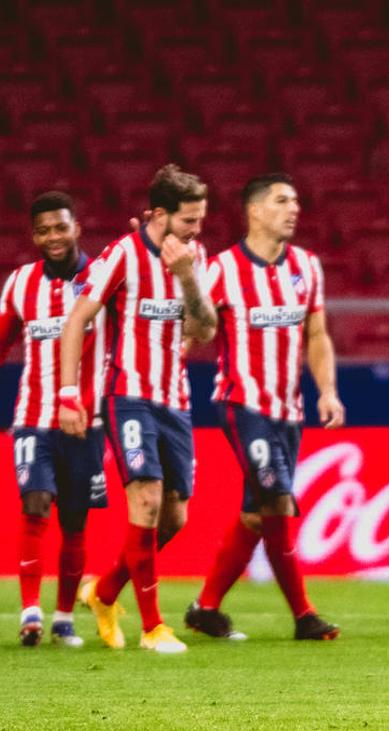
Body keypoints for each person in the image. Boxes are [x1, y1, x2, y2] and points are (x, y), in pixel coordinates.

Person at [60, 164, 218, 654]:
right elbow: (76, 321)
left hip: (176, 400)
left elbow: (205, 329)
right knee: (146, 501)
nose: (197, 229)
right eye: (189, 220)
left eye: (200, 219)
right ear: (158, 215)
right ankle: (154, 628)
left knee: (174, 518)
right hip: (129, 394)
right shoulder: (122, 255)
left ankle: (105, 592)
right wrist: (68, 394)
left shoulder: (196, 256)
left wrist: (187, 276)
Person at [182, 173, 344, 641]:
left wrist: (328, 391)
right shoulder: (222, 269)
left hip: (288, 411)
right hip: (241, 403)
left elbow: (316, 335)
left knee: (257, 514)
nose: (293, 208)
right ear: (254, 211)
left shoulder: (308, 267)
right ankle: (304, 615)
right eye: (281, 200)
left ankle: (206, 607)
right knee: (276, 499)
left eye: (295, 200)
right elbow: (195, 331)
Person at [4, 192, 108, 647]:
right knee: (36, 503)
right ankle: (30, 612)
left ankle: (64, 615)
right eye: (43, 230)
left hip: (88, 422)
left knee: (75, 522)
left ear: (76, 227)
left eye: (60, 227)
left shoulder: (104, 277)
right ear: (34, 235)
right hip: (33, 418)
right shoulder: (20, 283)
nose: (53, 237)